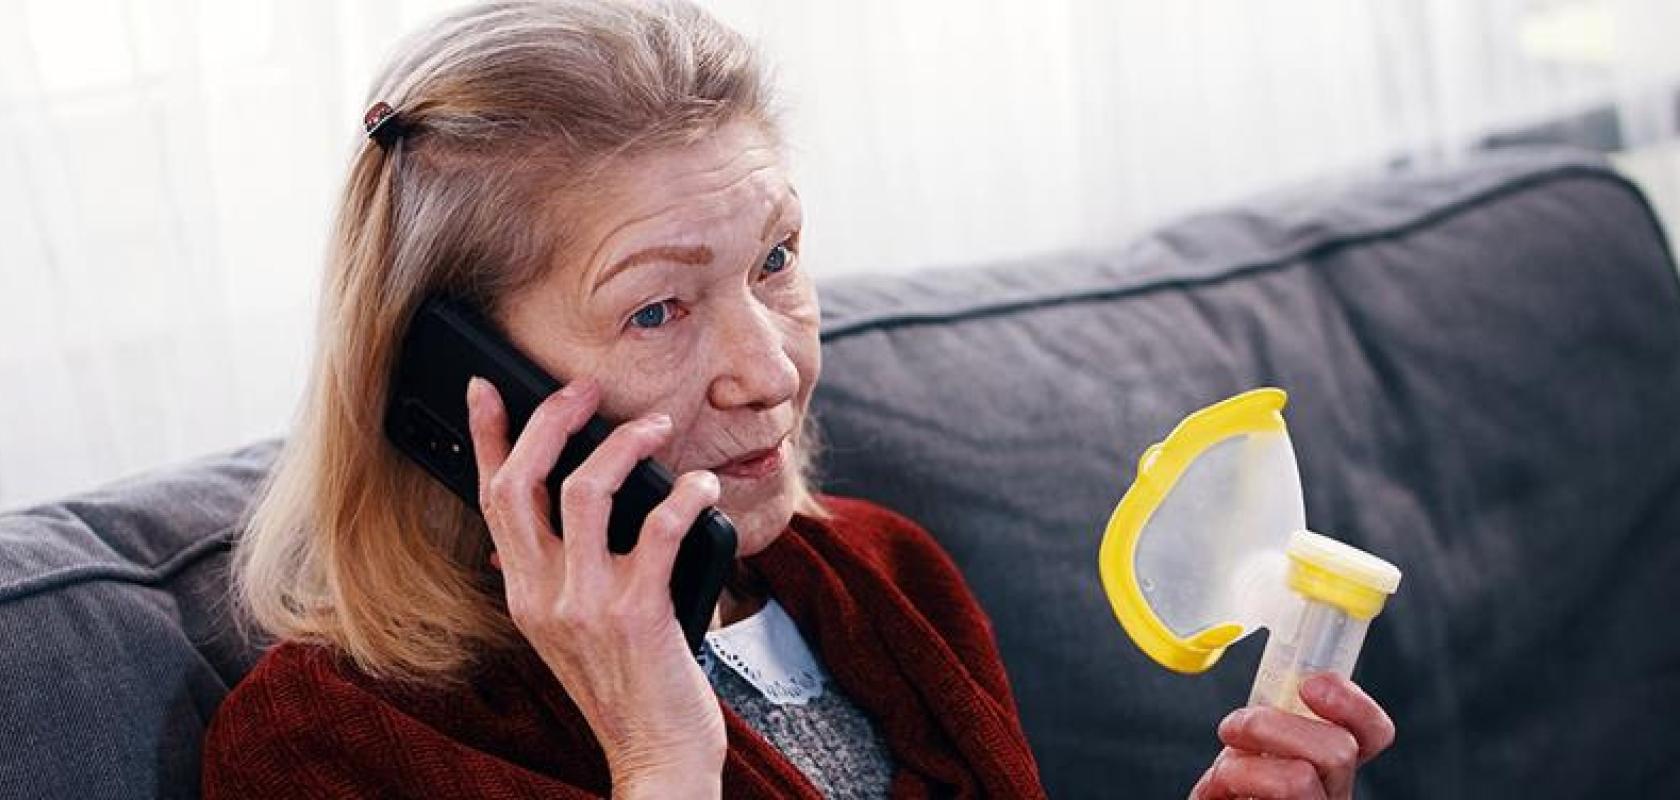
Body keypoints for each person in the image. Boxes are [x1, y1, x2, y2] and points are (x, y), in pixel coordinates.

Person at [202, 1, 1395, 798]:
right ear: (459, 383)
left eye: (775, 260)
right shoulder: (325, 745)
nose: (772, 369)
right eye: (659, 309)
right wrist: (662, 752)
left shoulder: (882, 577)